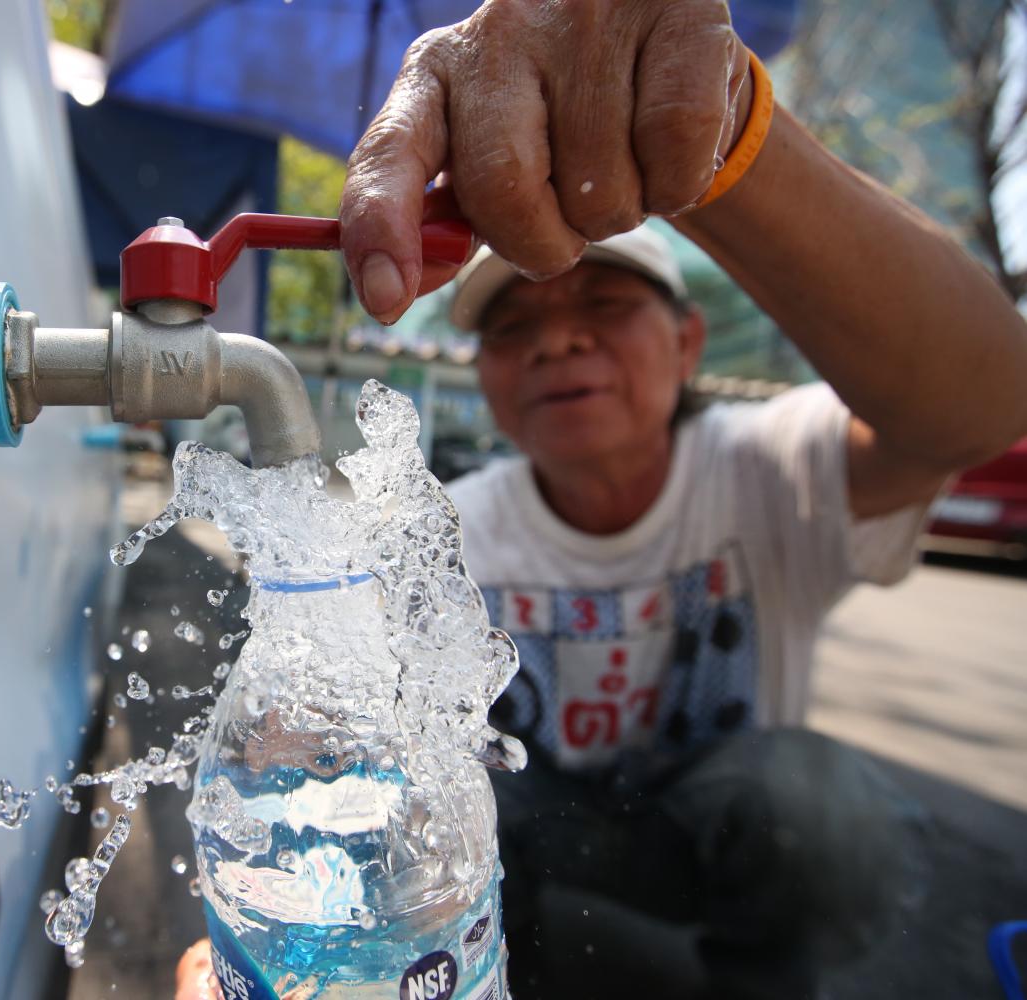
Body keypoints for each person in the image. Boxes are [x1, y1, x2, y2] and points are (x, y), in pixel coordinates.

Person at [177, 1, 1027, 997]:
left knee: (820, 803)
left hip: (731, 828)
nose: (560, 340)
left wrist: (728, 124)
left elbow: (977, 411)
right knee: (451, 782)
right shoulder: (445, 527)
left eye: (604, 301)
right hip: (551, 835)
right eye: (516, 324)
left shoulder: (772, 465)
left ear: (687, 344)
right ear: (486, 376)